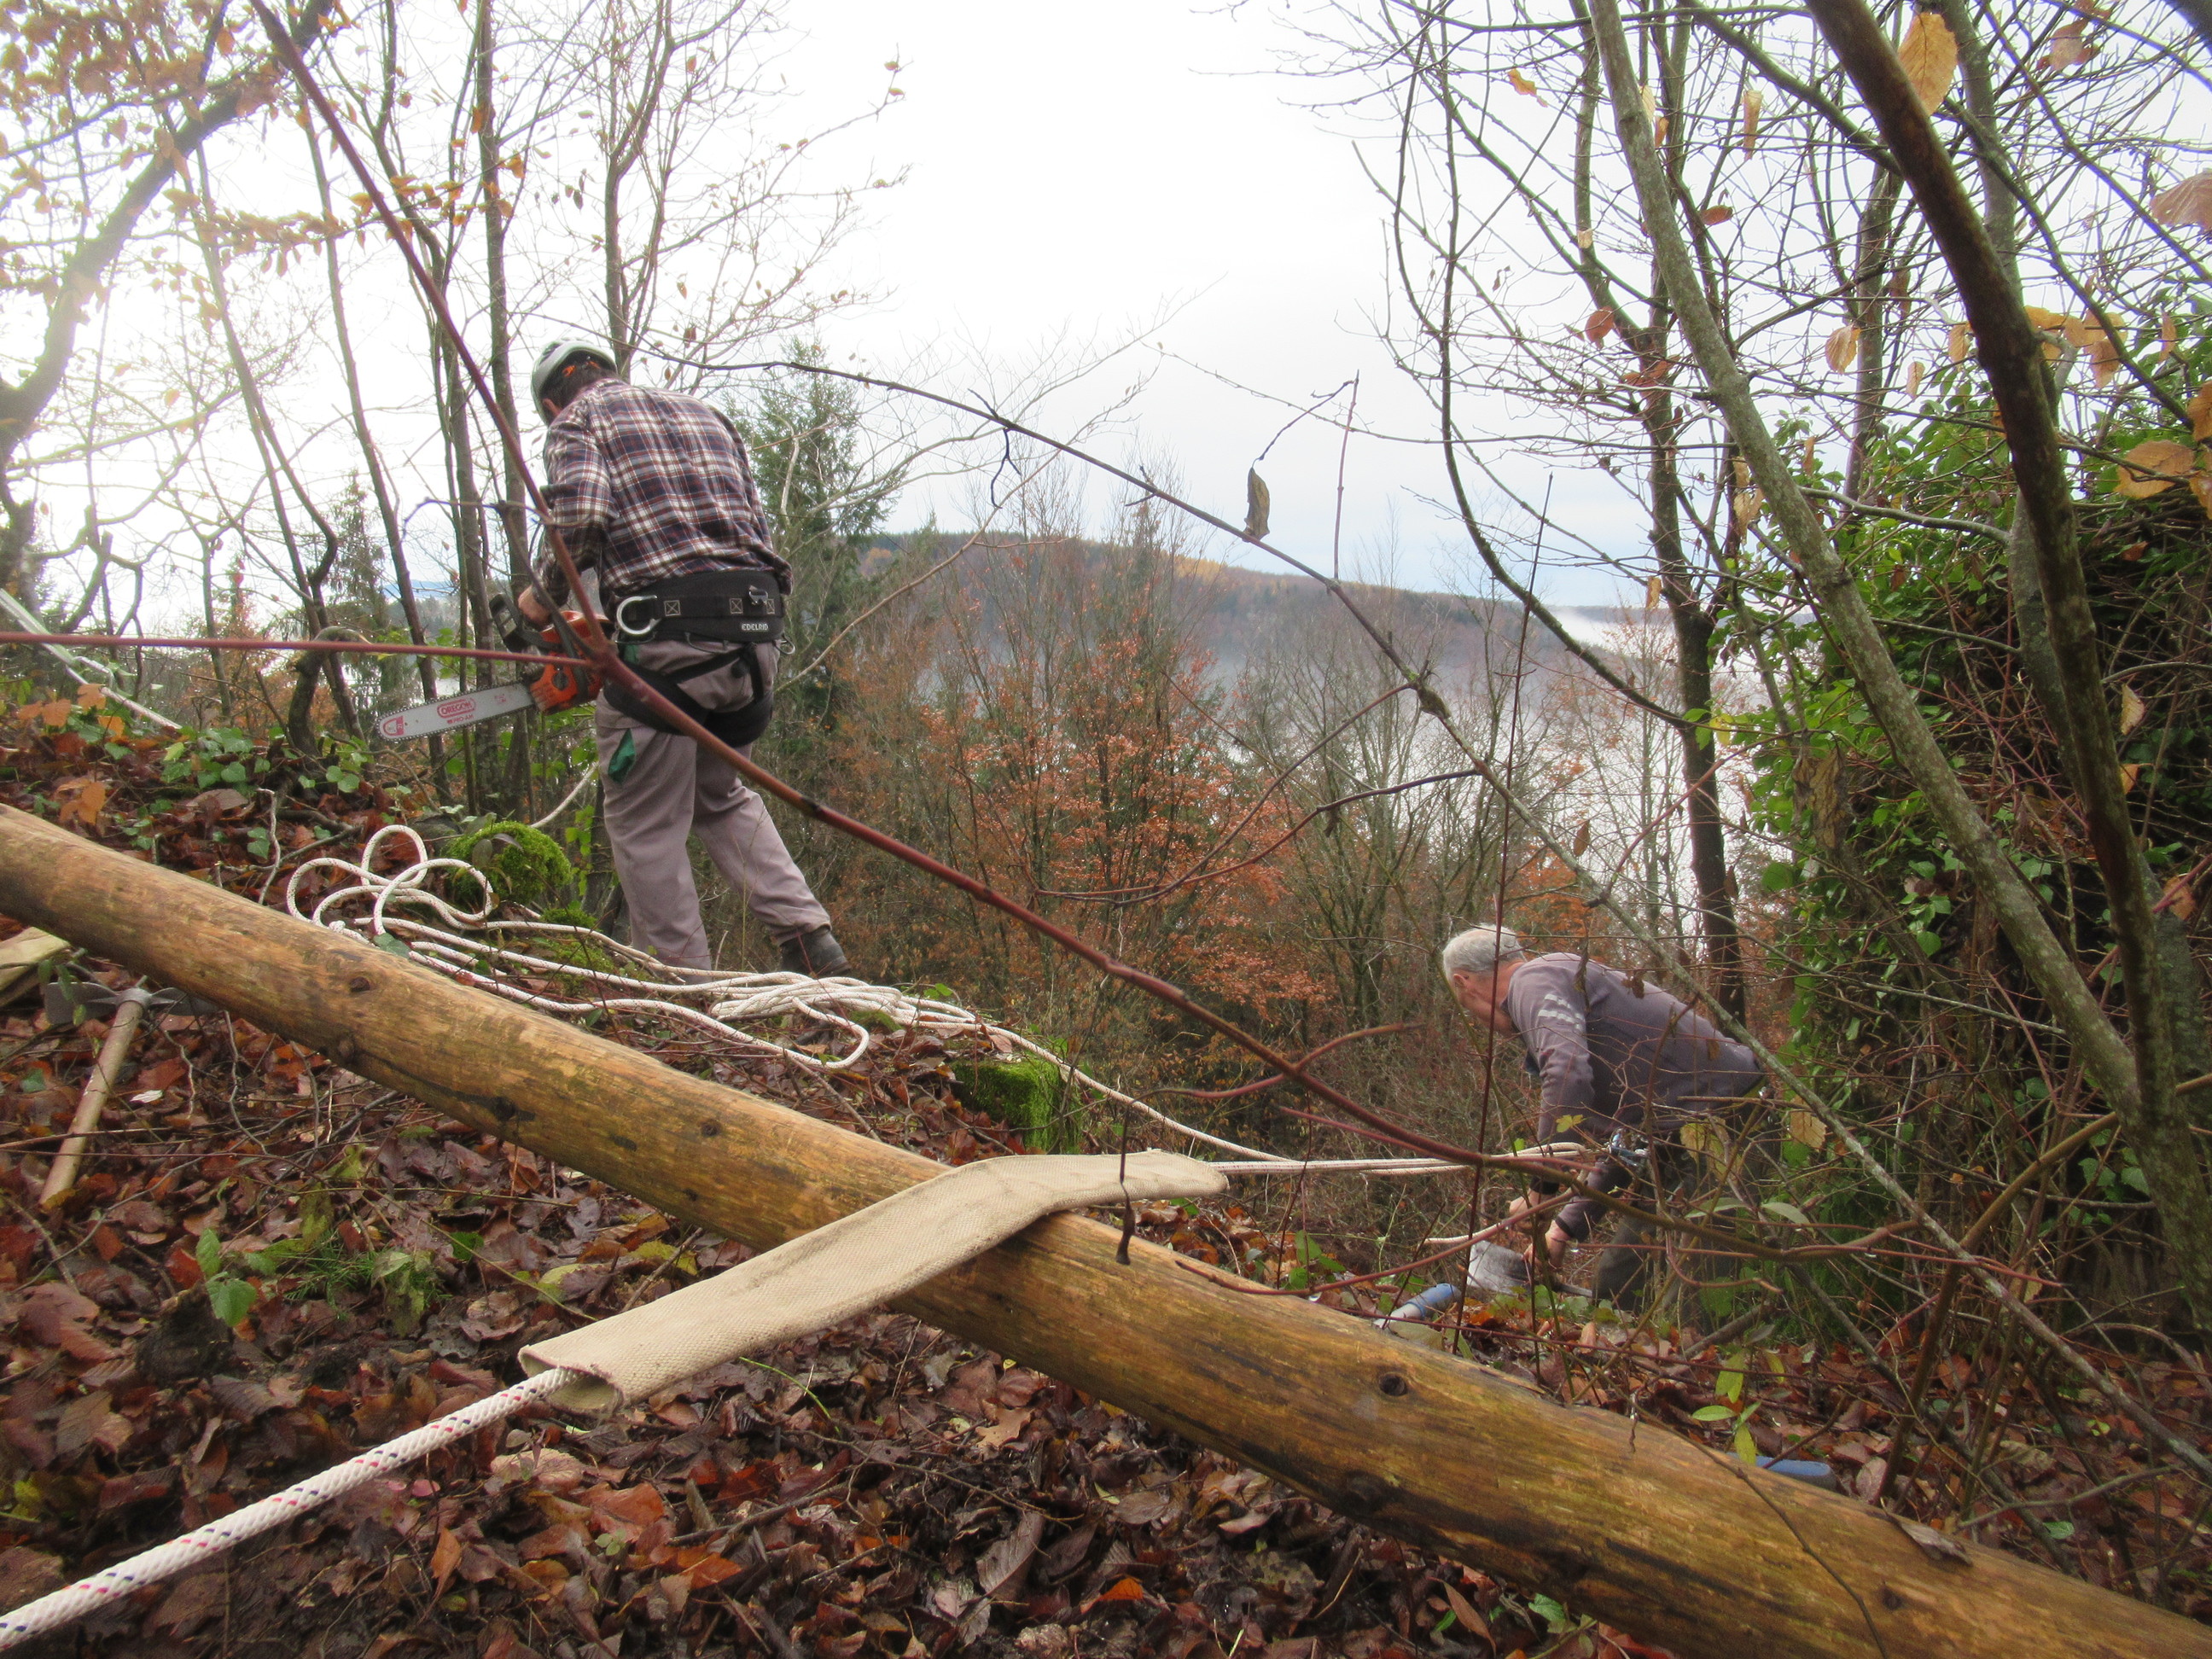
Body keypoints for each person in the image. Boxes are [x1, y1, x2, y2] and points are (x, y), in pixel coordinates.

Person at [518, 338, 848, 978]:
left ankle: (683, 984)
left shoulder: (576, 421)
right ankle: (810, 939)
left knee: (642, 820)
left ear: (552, 403)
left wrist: (542, 598)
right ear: (610, 371)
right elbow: (747, 530)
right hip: (755, 639)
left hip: (672, 640)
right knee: (717, 792)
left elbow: (580, 519)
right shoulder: (705, 415)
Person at [1441, 923, 1761, 1305]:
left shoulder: (1533, 980)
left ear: (1464, 982)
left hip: (1727, 1127)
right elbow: (1626, 1140)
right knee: (1618, 1284)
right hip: (1670, 1140)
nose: (1482, 1023)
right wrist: (1562, 1229)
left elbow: (1567, 1073)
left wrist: (1540, 1187)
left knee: (1696, 1298)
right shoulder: (1558, 981)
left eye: (1468, 1008)